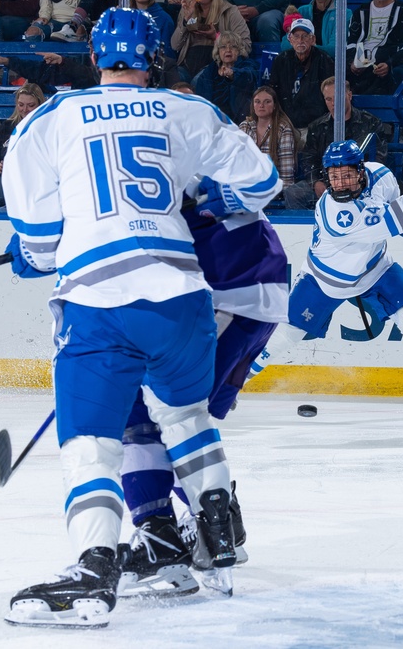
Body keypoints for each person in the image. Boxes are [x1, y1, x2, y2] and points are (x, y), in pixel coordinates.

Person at [0, 7, 282, 628]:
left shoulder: (47, 120)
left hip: (98, 301)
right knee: (185, 417)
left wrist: (30, 249)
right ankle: (218, 533)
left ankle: (94, 569)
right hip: (183, 297)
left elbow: (43, 245)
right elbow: (263, 180)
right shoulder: (187, 109)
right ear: (154, 58)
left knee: (92, 444)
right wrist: (210, 195)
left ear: (94, 57)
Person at [117, 189, 289, 598]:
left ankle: (174, 538)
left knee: (151, 414)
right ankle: (219, 529)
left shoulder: (143, 148)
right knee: (179, 416)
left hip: (225, 290)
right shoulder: (192, 136)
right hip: (246, 286)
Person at [246, 140, 403, 414]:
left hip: (375, 268)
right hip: (325, 279)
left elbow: (396, 211)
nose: (340, 183)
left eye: (346, 175)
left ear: (360, 171)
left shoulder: (381, 175)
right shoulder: (336, 212)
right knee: (281, 337)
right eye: (334, 177)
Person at [283, 76, 389, 210]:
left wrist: (358, 180)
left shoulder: (371, 123)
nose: (334, 103)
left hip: (359, 182)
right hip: (327, 182)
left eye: (338, 97)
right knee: (293, 193)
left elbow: (379, 159)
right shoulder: (317, 127)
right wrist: (315, 182)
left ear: (349, 95)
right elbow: (308, 158)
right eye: (328, 99)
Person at [0, 83, 46, 211]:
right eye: (21, 105)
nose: (25, 109)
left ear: (40, 104)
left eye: (30, 105)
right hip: (9, 177)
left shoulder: (47, 127)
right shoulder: (7, 127)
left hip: (38, 179)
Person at [172, 0, 250, 85]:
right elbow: (175, 45)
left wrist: (216, 37)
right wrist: (185, 20)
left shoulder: (230, 11)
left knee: (198, 82)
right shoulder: (186, 9)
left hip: (214, 65)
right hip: (187, 65)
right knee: (172, 77)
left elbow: (246, 47)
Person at [346, 0, 403, 96]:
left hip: (388, 63)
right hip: (364, 65)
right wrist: (354, 62)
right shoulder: (360, 12)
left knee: (398, 73)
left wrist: (389, 64)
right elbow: (352, 42)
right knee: (335, 73)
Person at [270, 18, 334, 131]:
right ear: (290, 39)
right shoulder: (281, 60)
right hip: (286, 124)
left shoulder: (325, 60)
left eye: (305, 36)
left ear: (313, 39)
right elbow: (273, 90)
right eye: (296, 36)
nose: (300, 40)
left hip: (316, 126)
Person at [193, 31, 258, 122]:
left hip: (238, 120)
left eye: (233, 46)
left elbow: (249, 76)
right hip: (213, 120)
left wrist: (233, 74)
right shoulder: (209, 72)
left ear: (239, 51)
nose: (228, 50)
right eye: (223, 47)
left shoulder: (248, 65)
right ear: (218, 51)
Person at [239, 85, 296, 187]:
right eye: (257, 102)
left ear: (274, 106)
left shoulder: (283, 128)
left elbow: (286, 174)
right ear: (253, 105)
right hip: (246, 185)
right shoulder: (244, 127)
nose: (261, 105)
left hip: (273, 187)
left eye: (267, 102)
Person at [278, 0, 351, 58]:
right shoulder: (302, 11)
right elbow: (285, 43)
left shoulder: (343, 13)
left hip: (328, 64)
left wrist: (306, 48)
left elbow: (335, 49)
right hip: (301, 62)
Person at [0, 49, 99, 92]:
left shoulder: (110, 69)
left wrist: (62, 61)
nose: (91, 46)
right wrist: (6, 61)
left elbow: (90, 75)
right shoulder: (77, 64)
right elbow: (39, 71)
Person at [219, 0, 293, 44]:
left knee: (266, 21)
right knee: (223, 19)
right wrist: (234, 11)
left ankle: (272, 58)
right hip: (237, 14)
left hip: (271, 12)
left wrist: (257, 10)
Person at [23, 0, 88, 42]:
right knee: (32, 33)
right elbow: (46, 3)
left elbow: (79, 3)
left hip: (77, 20)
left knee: (79, 31)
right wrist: (44, 16)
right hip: (55, 21)